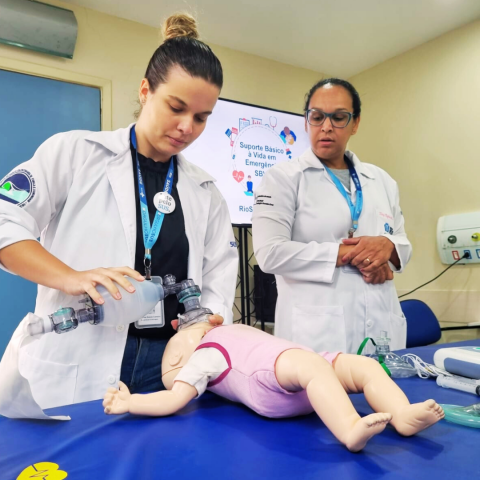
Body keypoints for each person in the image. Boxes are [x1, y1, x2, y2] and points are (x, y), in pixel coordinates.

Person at [0, 14, 237, 410]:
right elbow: (5, 221)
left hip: (169, 364)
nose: (186, 127)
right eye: (175, 107)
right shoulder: (75, 153)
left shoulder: (206, 191)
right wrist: (72, 277)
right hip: (81, 356)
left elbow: (219, 278)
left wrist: (204, 325)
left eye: (200, 117)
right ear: (145, 91)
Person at [103, 322, 444, 453]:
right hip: (273, 380)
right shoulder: (204, 356)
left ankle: (402, 415)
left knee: (364, 365)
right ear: (180, 355)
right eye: (186, 334)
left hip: (300, 368)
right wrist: (131, 402)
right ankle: (350, 429)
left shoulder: (220, 331)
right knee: (314, 368)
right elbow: (173, 399)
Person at [252, 78, 412, 354]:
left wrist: (387, 247)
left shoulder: (382, 181)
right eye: (317, 117)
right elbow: (270, 253)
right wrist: (350, 253)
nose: (326, 127)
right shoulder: (283, 179)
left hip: (382, 325)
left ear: (355, 123)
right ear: (306, 122)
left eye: (338, 117)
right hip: (316, 337)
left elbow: (402, 245)